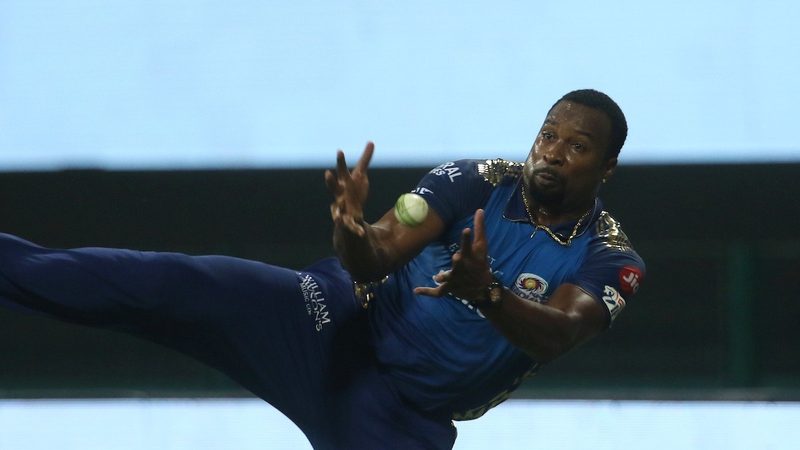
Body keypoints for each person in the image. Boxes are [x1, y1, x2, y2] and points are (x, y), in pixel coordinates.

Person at [0, 89, 644, 449]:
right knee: (165, 284)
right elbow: (378, 252)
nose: (552, 152)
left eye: (577, 146)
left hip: (400, 421)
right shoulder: (477, 181)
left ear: (607, 167)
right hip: (331, 324)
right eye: (547, 135)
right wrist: (350, 229)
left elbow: (558, 333)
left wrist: (488, 294)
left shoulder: (611, 257)